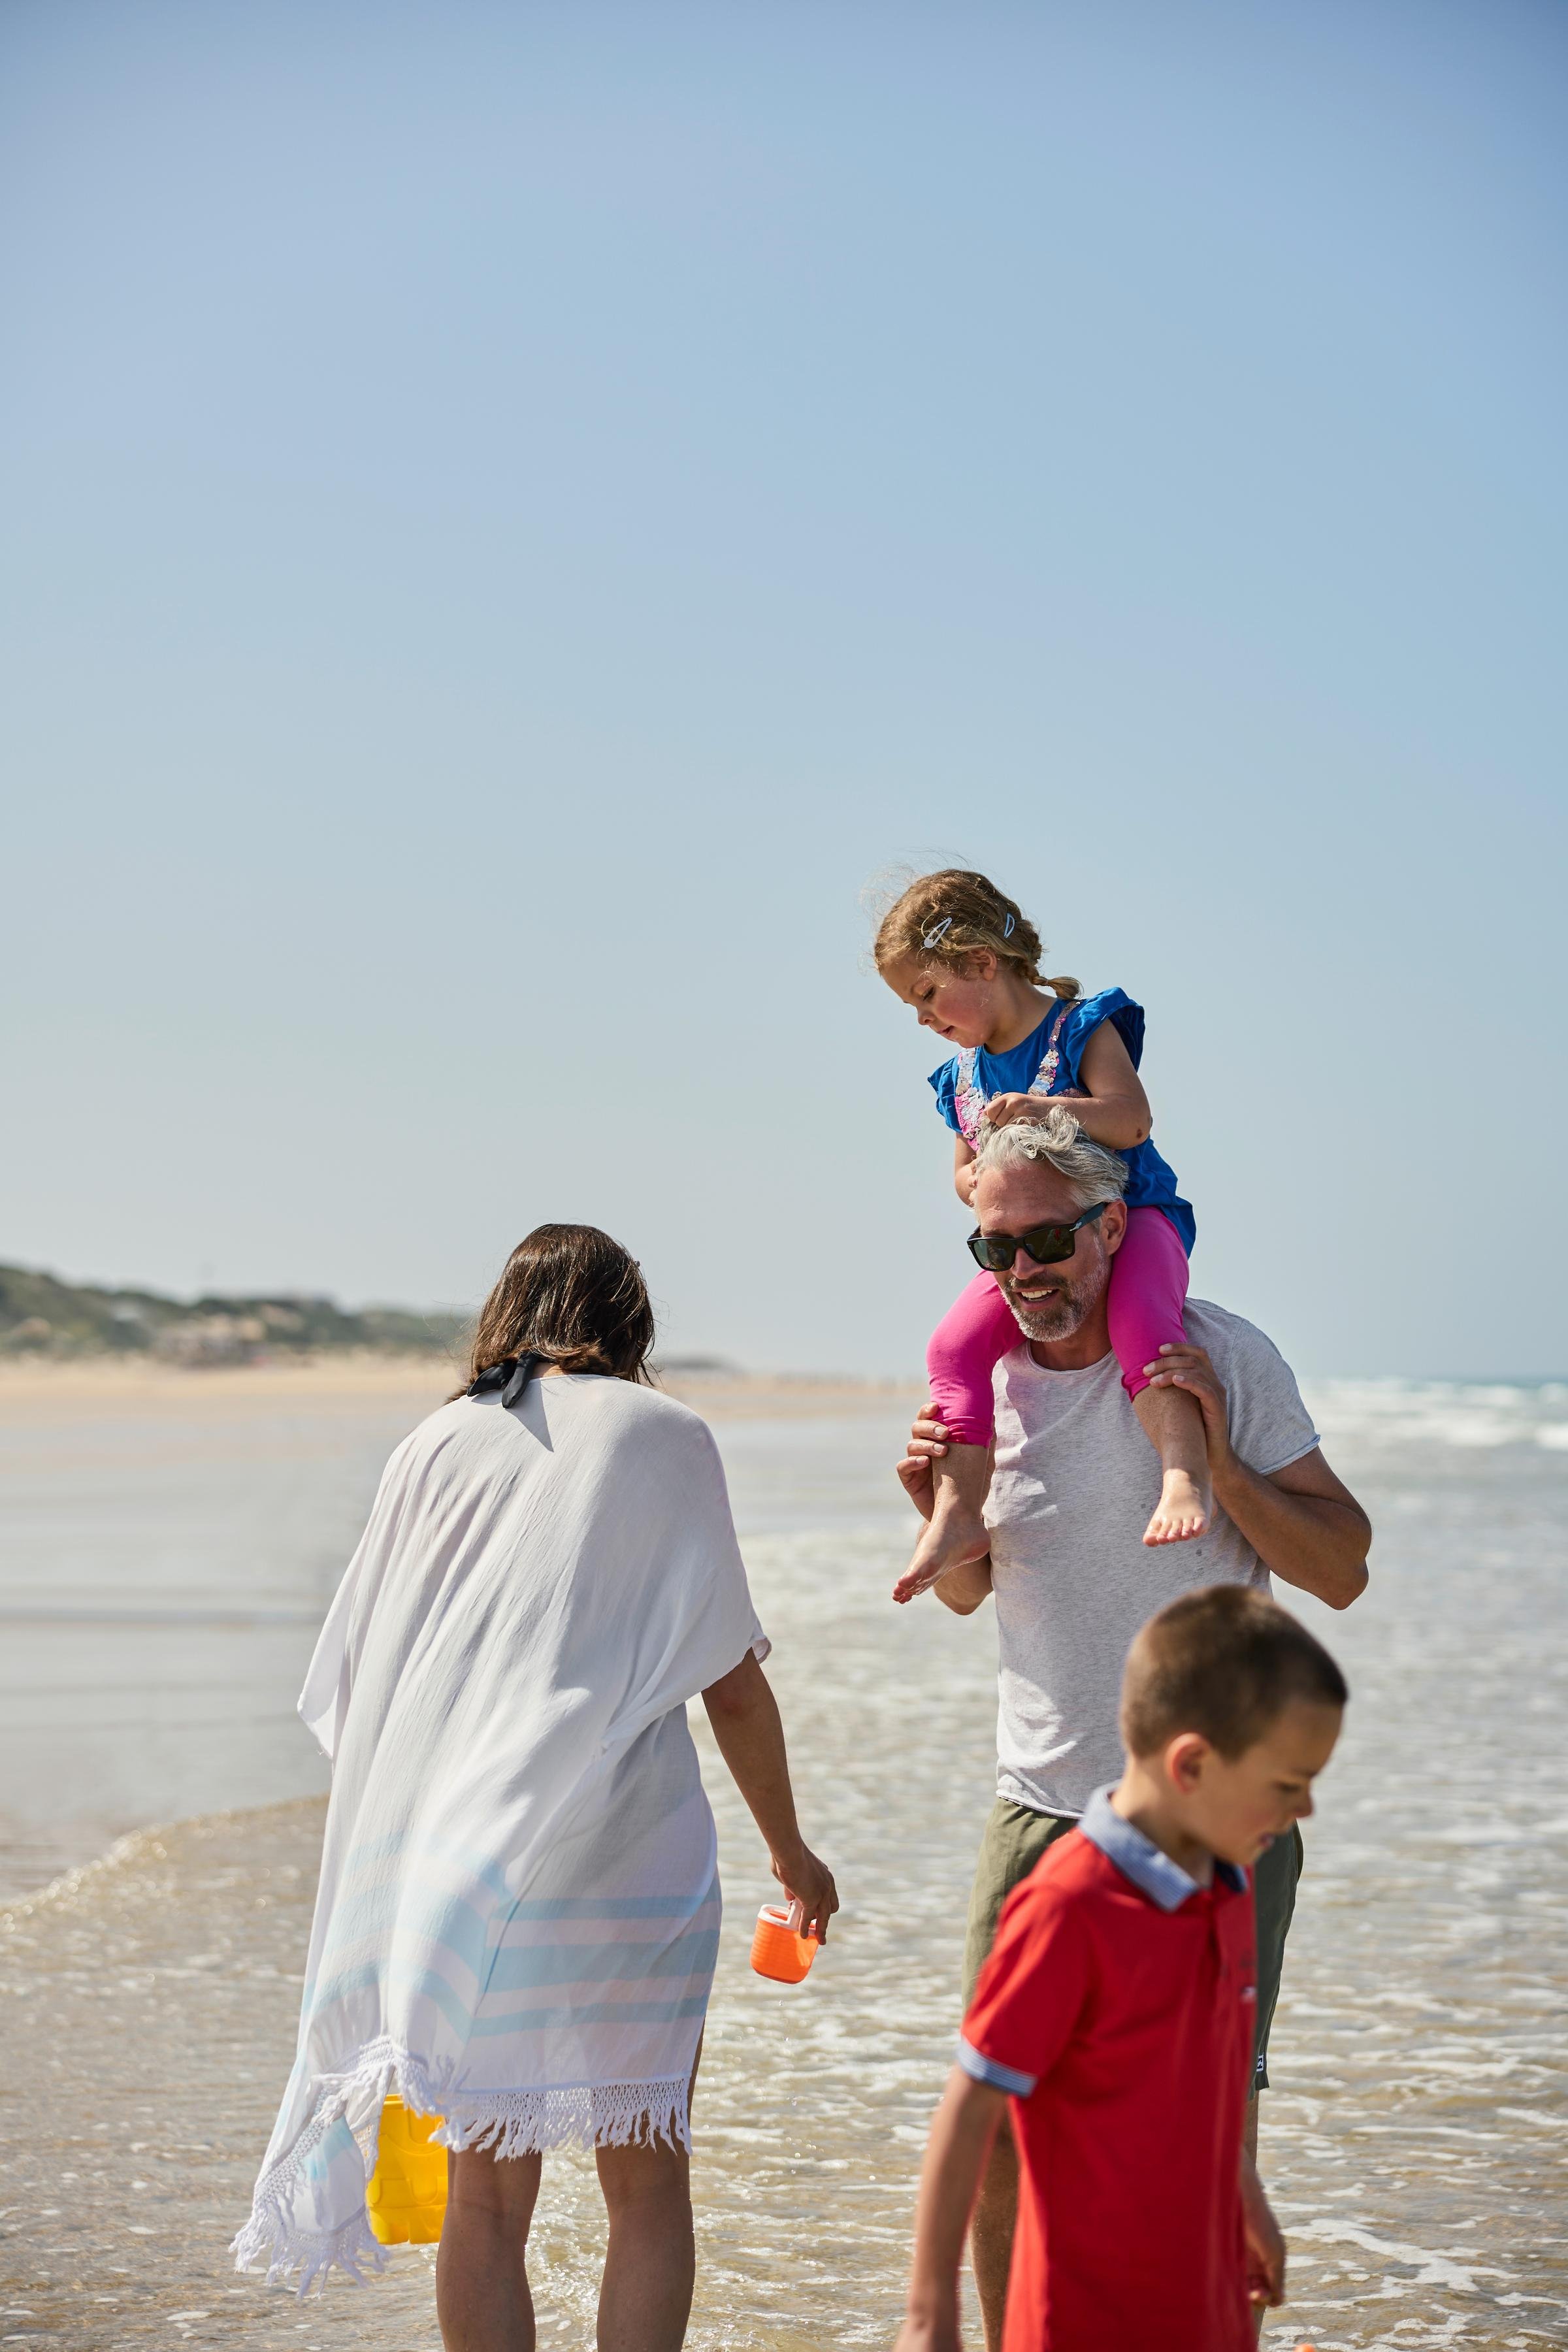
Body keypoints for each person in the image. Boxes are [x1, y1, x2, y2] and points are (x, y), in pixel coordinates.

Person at [232, 1222, 836, 2352]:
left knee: (486, 2199)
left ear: (505, 1313)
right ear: (630, 1321)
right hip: (629, 1862)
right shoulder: (665, 1433)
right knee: (646, 2183)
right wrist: (791, 1853)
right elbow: (731, 1681)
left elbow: (361, 1683)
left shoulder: (432, 1442)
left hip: (469, 1866)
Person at [895, 1107, 1370, 2352]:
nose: (1024, 1273)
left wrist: (1221, 1463)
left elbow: (1342, 1570)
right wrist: (939, 1514)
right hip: (1040, 1814)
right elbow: (970, 1595)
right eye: (994, 1250)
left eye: (1048, 1241)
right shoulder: (980, 1389)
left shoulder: (1219, 1356)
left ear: (1113, 1228)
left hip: (1219, 1825)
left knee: (1207, 2137)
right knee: (1004, 2138)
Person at [893, 1585, 1348, 2352]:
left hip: (1199, 2307)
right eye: (1287, 1785)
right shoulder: (1069, 1906)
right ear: (1192, 1764)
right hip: (1081, 2315)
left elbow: (1202, 2085)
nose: (1304, 1811)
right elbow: (972, 2108)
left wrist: (1247, 2199)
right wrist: (929, 2313)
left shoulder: (1229, 1886)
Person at [874, 866, 1208, 1588]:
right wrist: (981, 1177)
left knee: (1141, 1324)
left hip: (1136, 1214)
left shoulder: (1079, 1027)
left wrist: (1038, 1109)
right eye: (910, 1005)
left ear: (981, 962)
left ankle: (1184, 1474)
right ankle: (958, 1513)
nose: (922, 1017)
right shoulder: (962, 1078)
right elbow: (965, 1178)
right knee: (952, 1347)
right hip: (1034, 1244)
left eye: (927, 993)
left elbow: (1131, 1119)